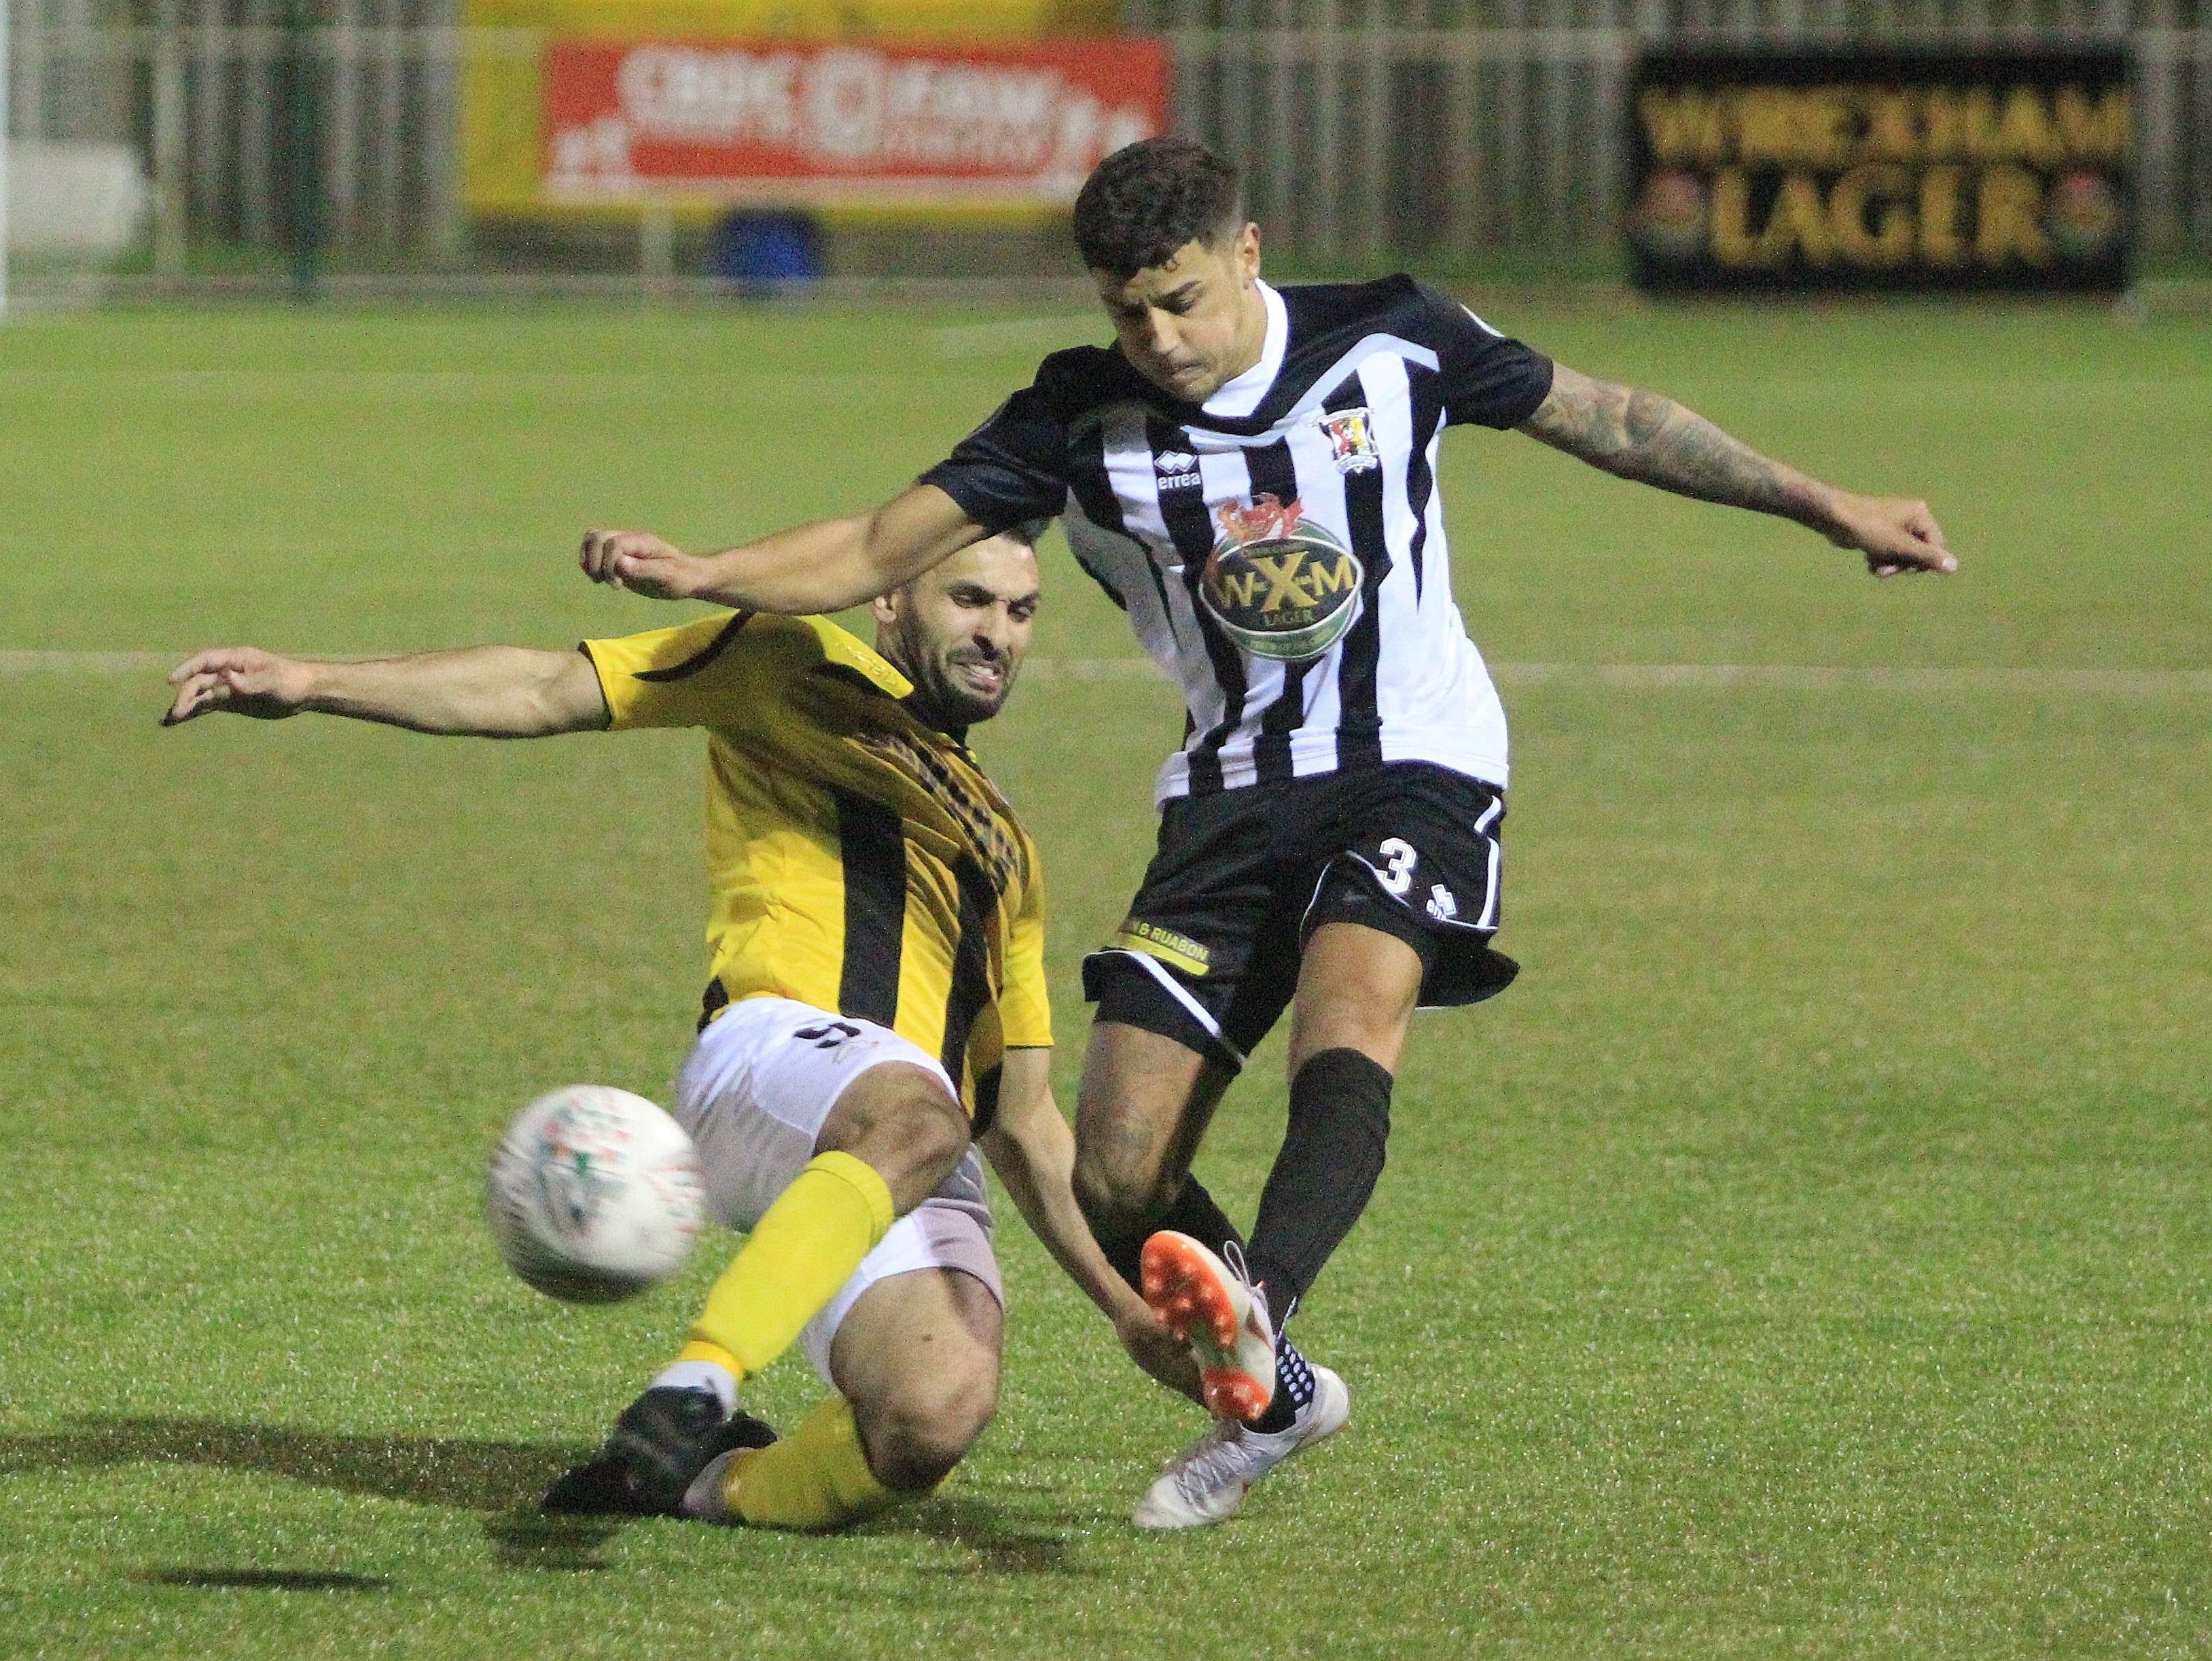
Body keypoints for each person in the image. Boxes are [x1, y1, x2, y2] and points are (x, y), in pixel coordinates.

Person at [569, 137, 1958, 1529]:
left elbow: (1612, 416)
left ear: (1247, 248)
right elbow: (882, 544)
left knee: (1349, 1014)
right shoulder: (1074, 412)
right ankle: (1284, 1390)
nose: (1159, 338)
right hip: (1228, 793)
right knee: (1117, 1161)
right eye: (1129, 312)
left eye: (1181, 298)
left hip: (1416, 760)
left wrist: (1822, 502)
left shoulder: (1391, 336)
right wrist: (710, 571)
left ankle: (1258, 1325)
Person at [162, 526, 1177, 1531]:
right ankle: (702, 1378)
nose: (997, 631)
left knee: (932, 1414)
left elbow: (1024, 1116)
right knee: (919, 1115)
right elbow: (542, 688)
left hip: (903, 1141)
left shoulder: (1007, 849)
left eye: (1020, 610)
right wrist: (307, 681)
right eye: (968, 599)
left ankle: (699, 1477)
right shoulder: (791, 662)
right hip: (777, 1053)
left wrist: (1126, 1308)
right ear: (887, 600)